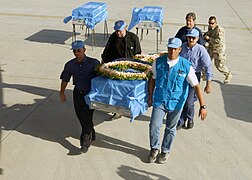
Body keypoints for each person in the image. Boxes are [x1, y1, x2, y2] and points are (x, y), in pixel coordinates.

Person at [147, 37, 207, 164]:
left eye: (175, 49)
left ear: (180, 49)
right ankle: (154, 148)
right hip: (160, 100)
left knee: (170, 128)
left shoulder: (185, 66)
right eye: (170, 48)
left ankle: (165, 150)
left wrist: (203, 106)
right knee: (154, 126)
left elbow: (196, 86)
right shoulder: (158, 62)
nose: (172, 51)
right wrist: (150, 96)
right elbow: (152, 78)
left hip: (176, 103)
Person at [60, 40, 100, 153]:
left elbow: (102, 79)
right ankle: (92, 134)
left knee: (86, 118)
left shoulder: (94, 63)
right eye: (74, 51)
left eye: (79, 50)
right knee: (81, 116)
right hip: (77, 93)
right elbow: (65, 79)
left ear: (84, 50)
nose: (77, 53)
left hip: (90, 95)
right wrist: (62, 92)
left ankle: (85, 143)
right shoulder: (70, 65)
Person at [101, 20, 142, 120]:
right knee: (116, 90)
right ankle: (117, 110)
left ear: (125, 28)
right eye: (116, 31)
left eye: (120, 31)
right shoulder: (113, 37)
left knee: (128, 90)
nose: (118, 33)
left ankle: (130, 107)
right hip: (116, 67)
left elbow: (138, 54)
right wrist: (104, 61)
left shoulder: (133, 38)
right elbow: (107, 50)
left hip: (130, 69)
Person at [177, 28, 212, 130]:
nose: (191, 40)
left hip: (194, 75)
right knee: (181, 99)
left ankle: (190, 118)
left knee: (189, 101)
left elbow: (208, 66)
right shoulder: (182, 47)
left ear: (197, 39)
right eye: (189, 38)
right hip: (182, 75)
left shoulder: (201, 50)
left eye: (193, 38)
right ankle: (181, 120)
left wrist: (208, 83)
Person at [204, 16, 232, 83]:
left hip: (218, 50)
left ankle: (228, 74)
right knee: (205, 61)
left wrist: (209, 39)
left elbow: (218, 40)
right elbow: (208, 33)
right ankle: (205, 75)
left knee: (219, 65)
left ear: (216, 23)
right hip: (211, 48)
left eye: (212, 23)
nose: (211, 25)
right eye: (209, 23)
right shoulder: (210, 28)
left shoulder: (219, 30)